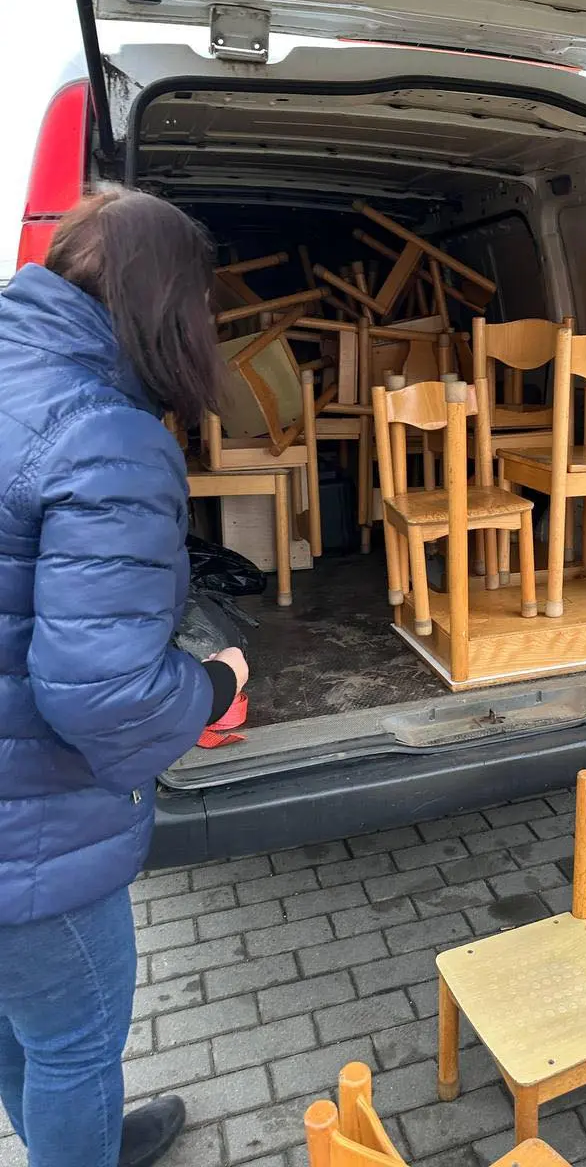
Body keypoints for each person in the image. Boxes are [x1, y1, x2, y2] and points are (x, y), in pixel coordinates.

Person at [0, 190, 250, 1167]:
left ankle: (87, 1144)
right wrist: (214, 685)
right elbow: (102, 692)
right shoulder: (103, 432)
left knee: (22, 1024)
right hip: (29, 829)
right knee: (73, 1042)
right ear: (166, 301)